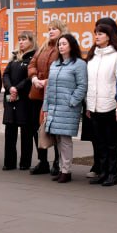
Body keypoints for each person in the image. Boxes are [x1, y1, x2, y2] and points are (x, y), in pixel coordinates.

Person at [43, 34, 87, 183]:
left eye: (64, 44)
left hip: (68, 108)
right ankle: (62, 169)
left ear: (71, 46)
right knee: (58, 139)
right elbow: (49, 88)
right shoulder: (54, 64)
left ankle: (66, 171)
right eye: (59, 44)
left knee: (65, 139)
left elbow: (82, 86)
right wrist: (46, 107)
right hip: (54, 108)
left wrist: (72, 101)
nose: (61, 46)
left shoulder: (79, 64)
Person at [85, 18, 117, 187]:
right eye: (96, 33)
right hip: (94, 106)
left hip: (111, 105)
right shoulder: (92, 56)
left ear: (109, 36)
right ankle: (102, 172)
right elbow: (89, 82)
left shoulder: (116, 56)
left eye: (100, 33)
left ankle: (112, 173)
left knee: (112, 143)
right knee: (99, 142)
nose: (97, 36)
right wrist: (88, 104)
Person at [26, 20, 65, 175]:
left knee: (54, 129)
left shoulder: (63, 46)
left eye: (54, 29)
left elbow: (64, 69)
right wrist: (34, 78)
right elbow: (32, 64)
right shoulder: (43, 46)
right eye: (49, 29)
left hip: (54, 93)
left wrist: (47, 81)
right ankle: (43, 161)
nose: (50, 31)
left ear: (61, 30)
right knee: (38, 128)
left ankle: (57, 161)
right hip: (37, 93)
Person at [2, 31, 37, 171]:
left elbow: (30, 78)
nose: (21, 42)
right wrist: (10, 87)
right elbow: (6, 74)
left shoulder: (33, 57)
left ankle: (25, 162)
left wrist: (18, 88)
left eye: (24, 39)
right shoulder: (15, 57)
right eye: (20, 39)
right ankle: (9, 162)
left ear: (31, 41)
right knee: (10, 130)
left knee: (26, 132)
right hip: (11, 98)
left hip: (25, 99)